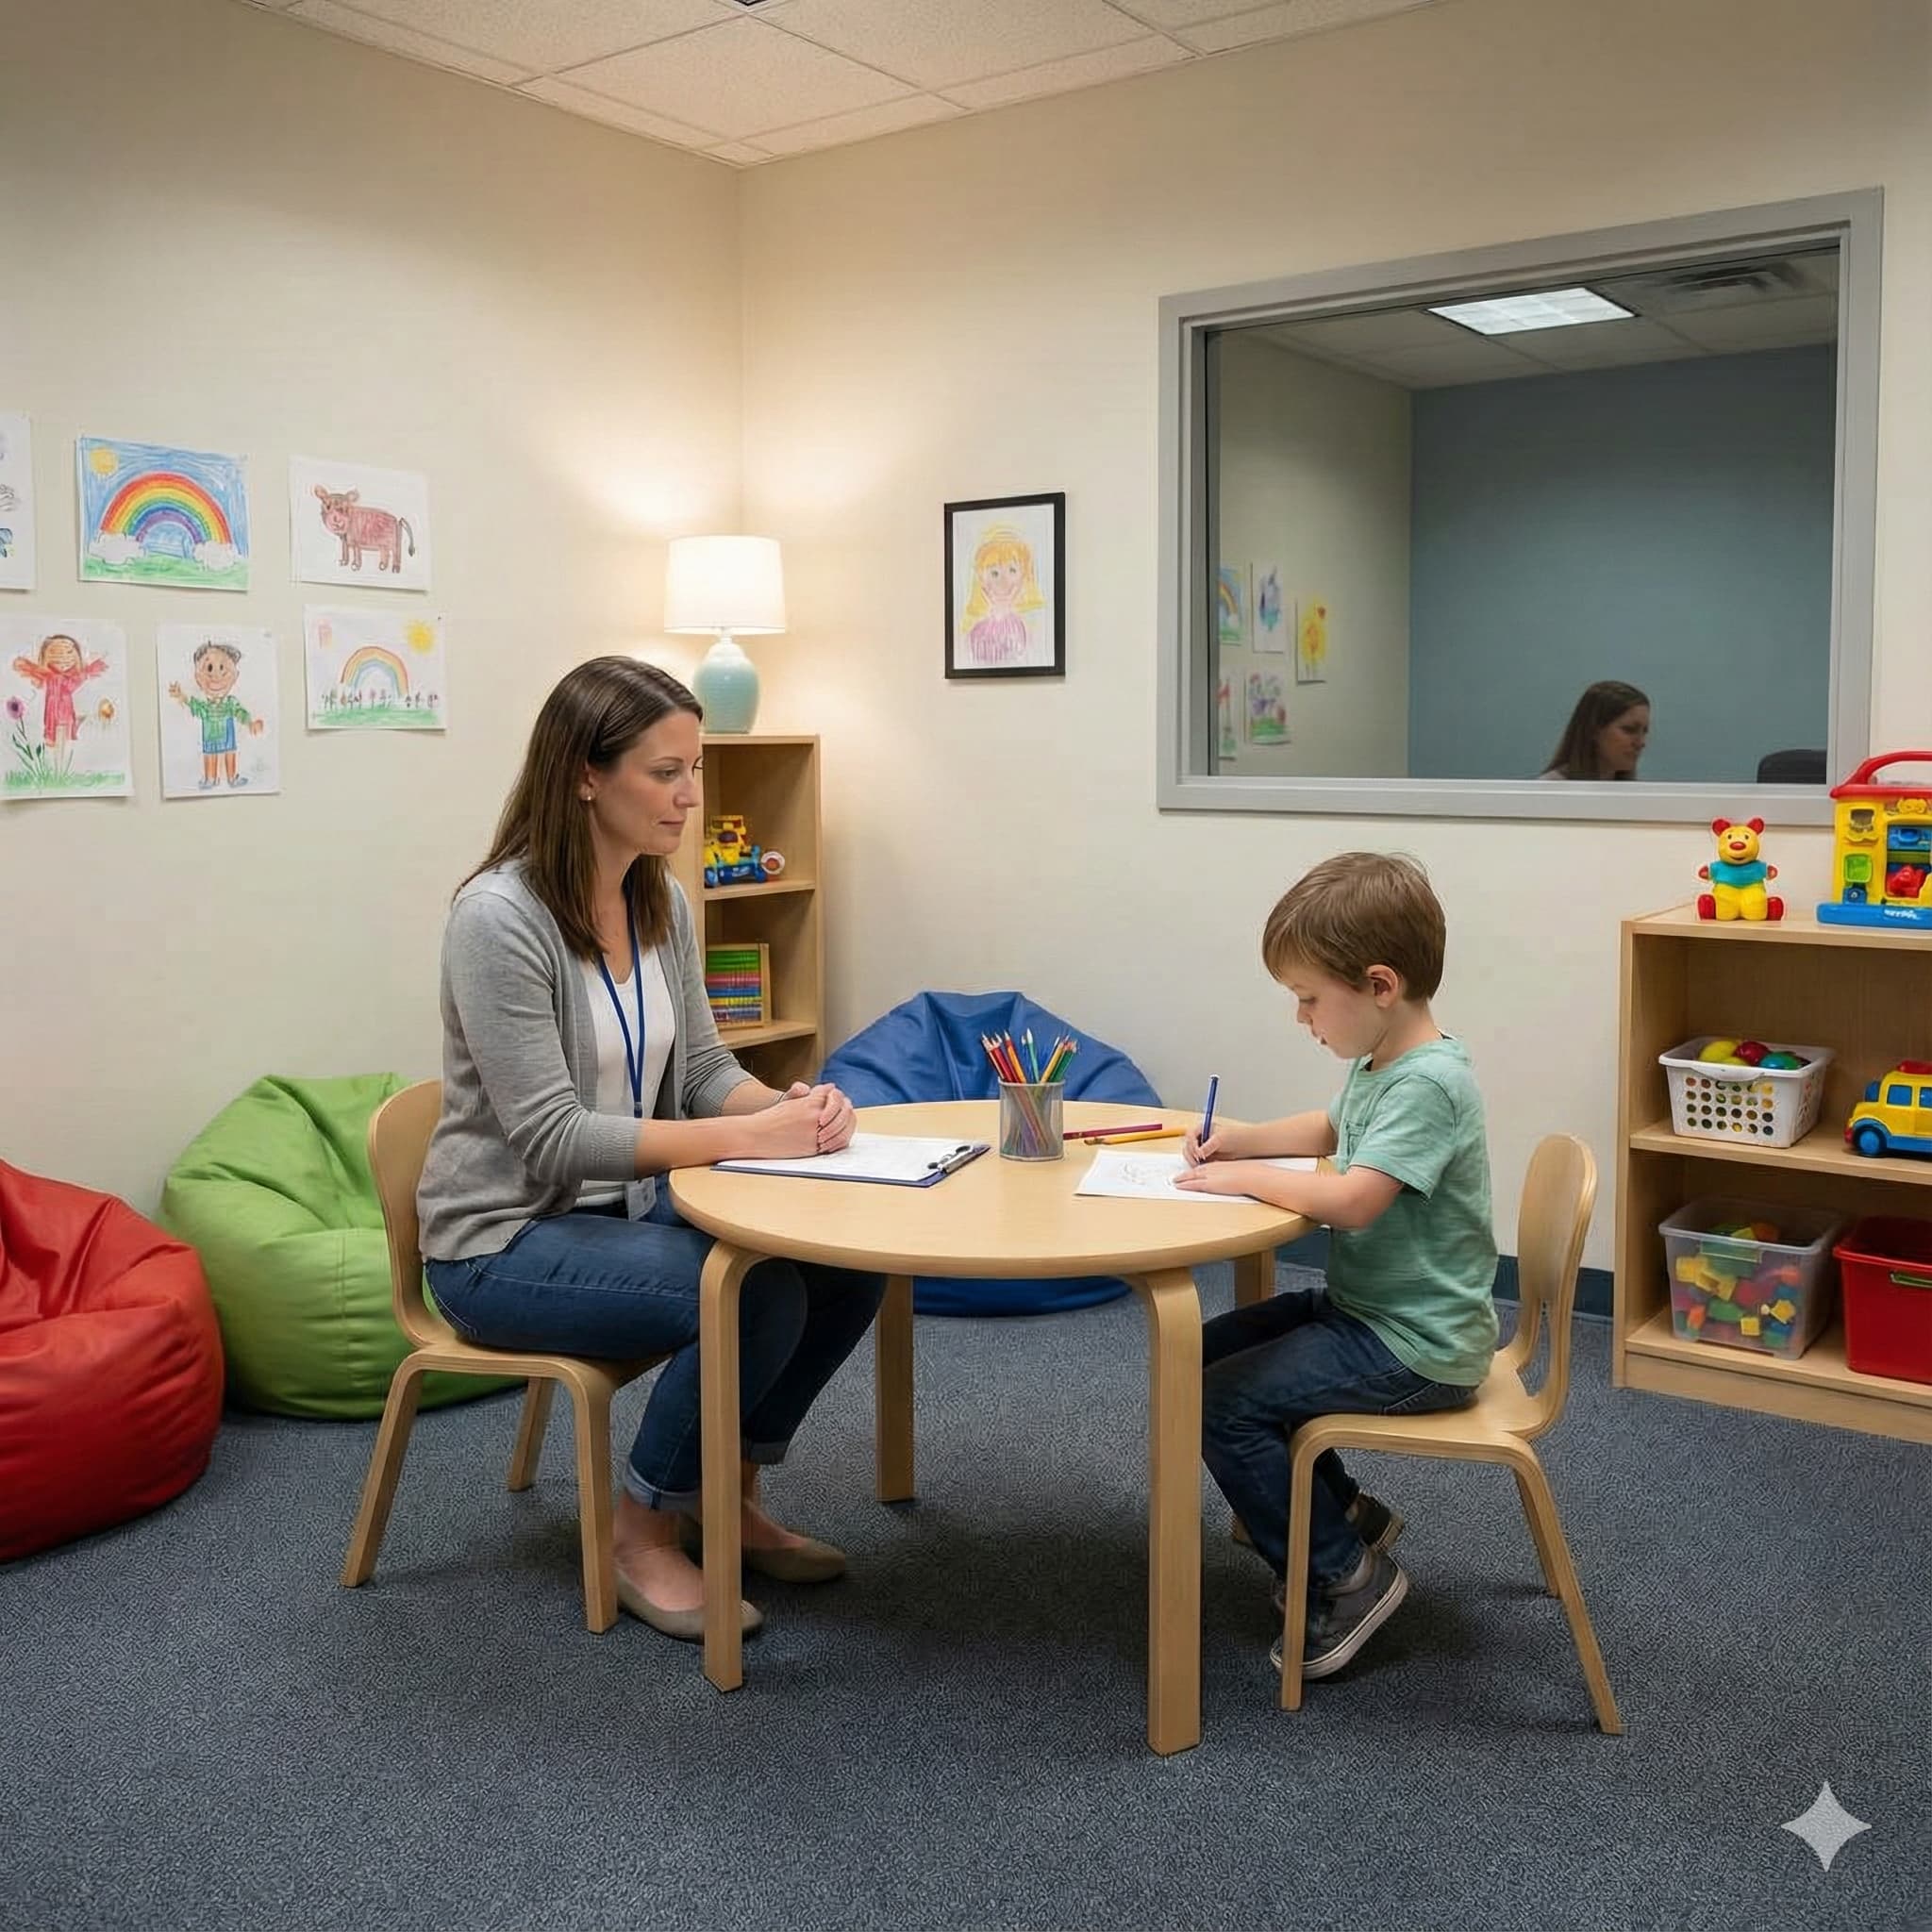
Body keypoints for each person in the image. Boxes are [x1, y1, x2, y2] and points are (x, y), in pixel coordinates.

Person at [416, 657, 884, 1642]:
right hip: (503, 1238)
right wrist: (743, 1136)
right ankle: (639, 1531)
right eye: (664, 772)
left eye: (696, 767)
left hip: (623, 1215)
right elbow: (548, 1137)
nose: (691, 795)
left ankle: (725, 1495)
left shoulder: (656, 898)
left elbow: (705, 1063)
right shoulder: (497, 919)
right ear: (585, 775)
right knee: (754, 1290)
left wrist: (789, 1111)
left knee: (844, 1269)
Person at [1174, 853, 1497, 1680]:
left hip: (1417, 1344)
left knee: (1220, 1404)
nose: (1301, 1017)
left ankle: (1343, 1575)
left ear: (1380, 986)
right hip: (1373, 1311)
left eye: (1309, 999)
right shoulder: (1384, 1063)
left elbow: (1353, 1200)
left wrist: (1240, 1177)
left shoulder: (1430, 1084)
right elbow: (1333, 1128)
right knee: (1201, 1352)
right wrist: (1243, 1139)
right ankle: (1343, 1510)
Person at [1538, 680, 1649, 780]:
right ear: (1593, 730)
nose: (1640, 743)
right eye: (1629, 729)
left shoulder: (1636, 794)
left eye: (1644, 731)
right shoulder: (1550, 790)